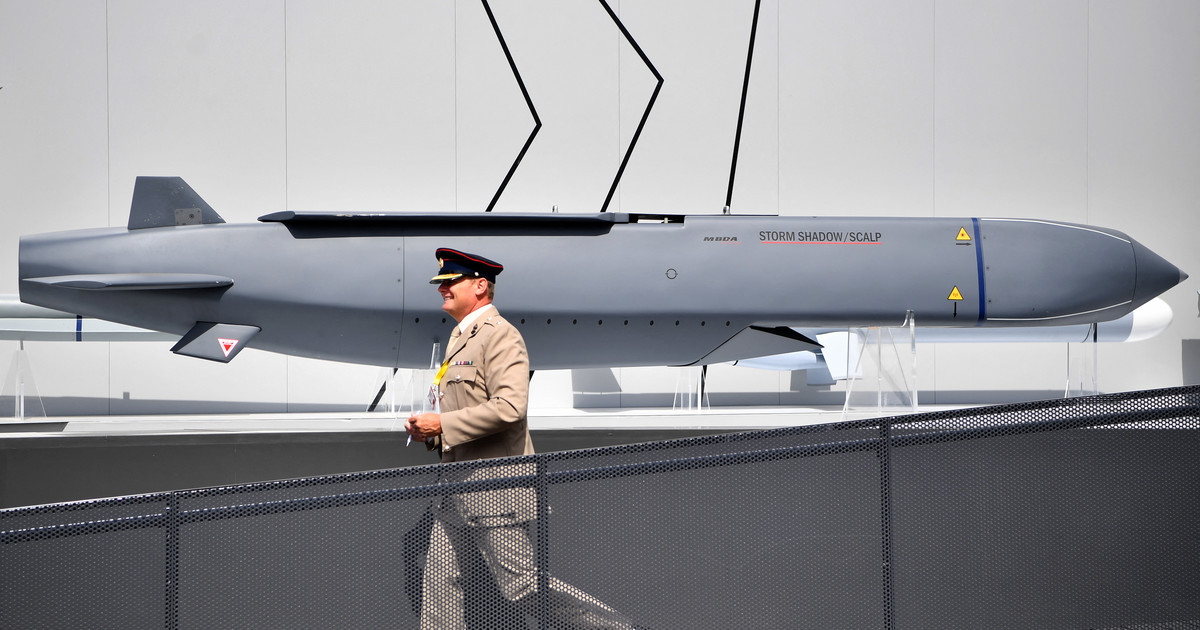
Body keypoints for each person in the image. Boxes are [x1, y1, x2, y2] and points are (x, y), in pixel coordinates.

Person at [406, 248, 638, 630]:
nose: (442, 289)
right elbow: (464, 409)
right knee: (440, 589)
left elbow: (510, 407)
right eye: (441, 283)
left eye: (451, 282)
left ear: (480, 286)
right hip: (455, 488)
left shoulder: (500, 336)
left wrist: (442, 424)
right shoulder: (460, 337)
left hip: (494, 488)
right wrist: (429, 431)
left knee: (523, 586)